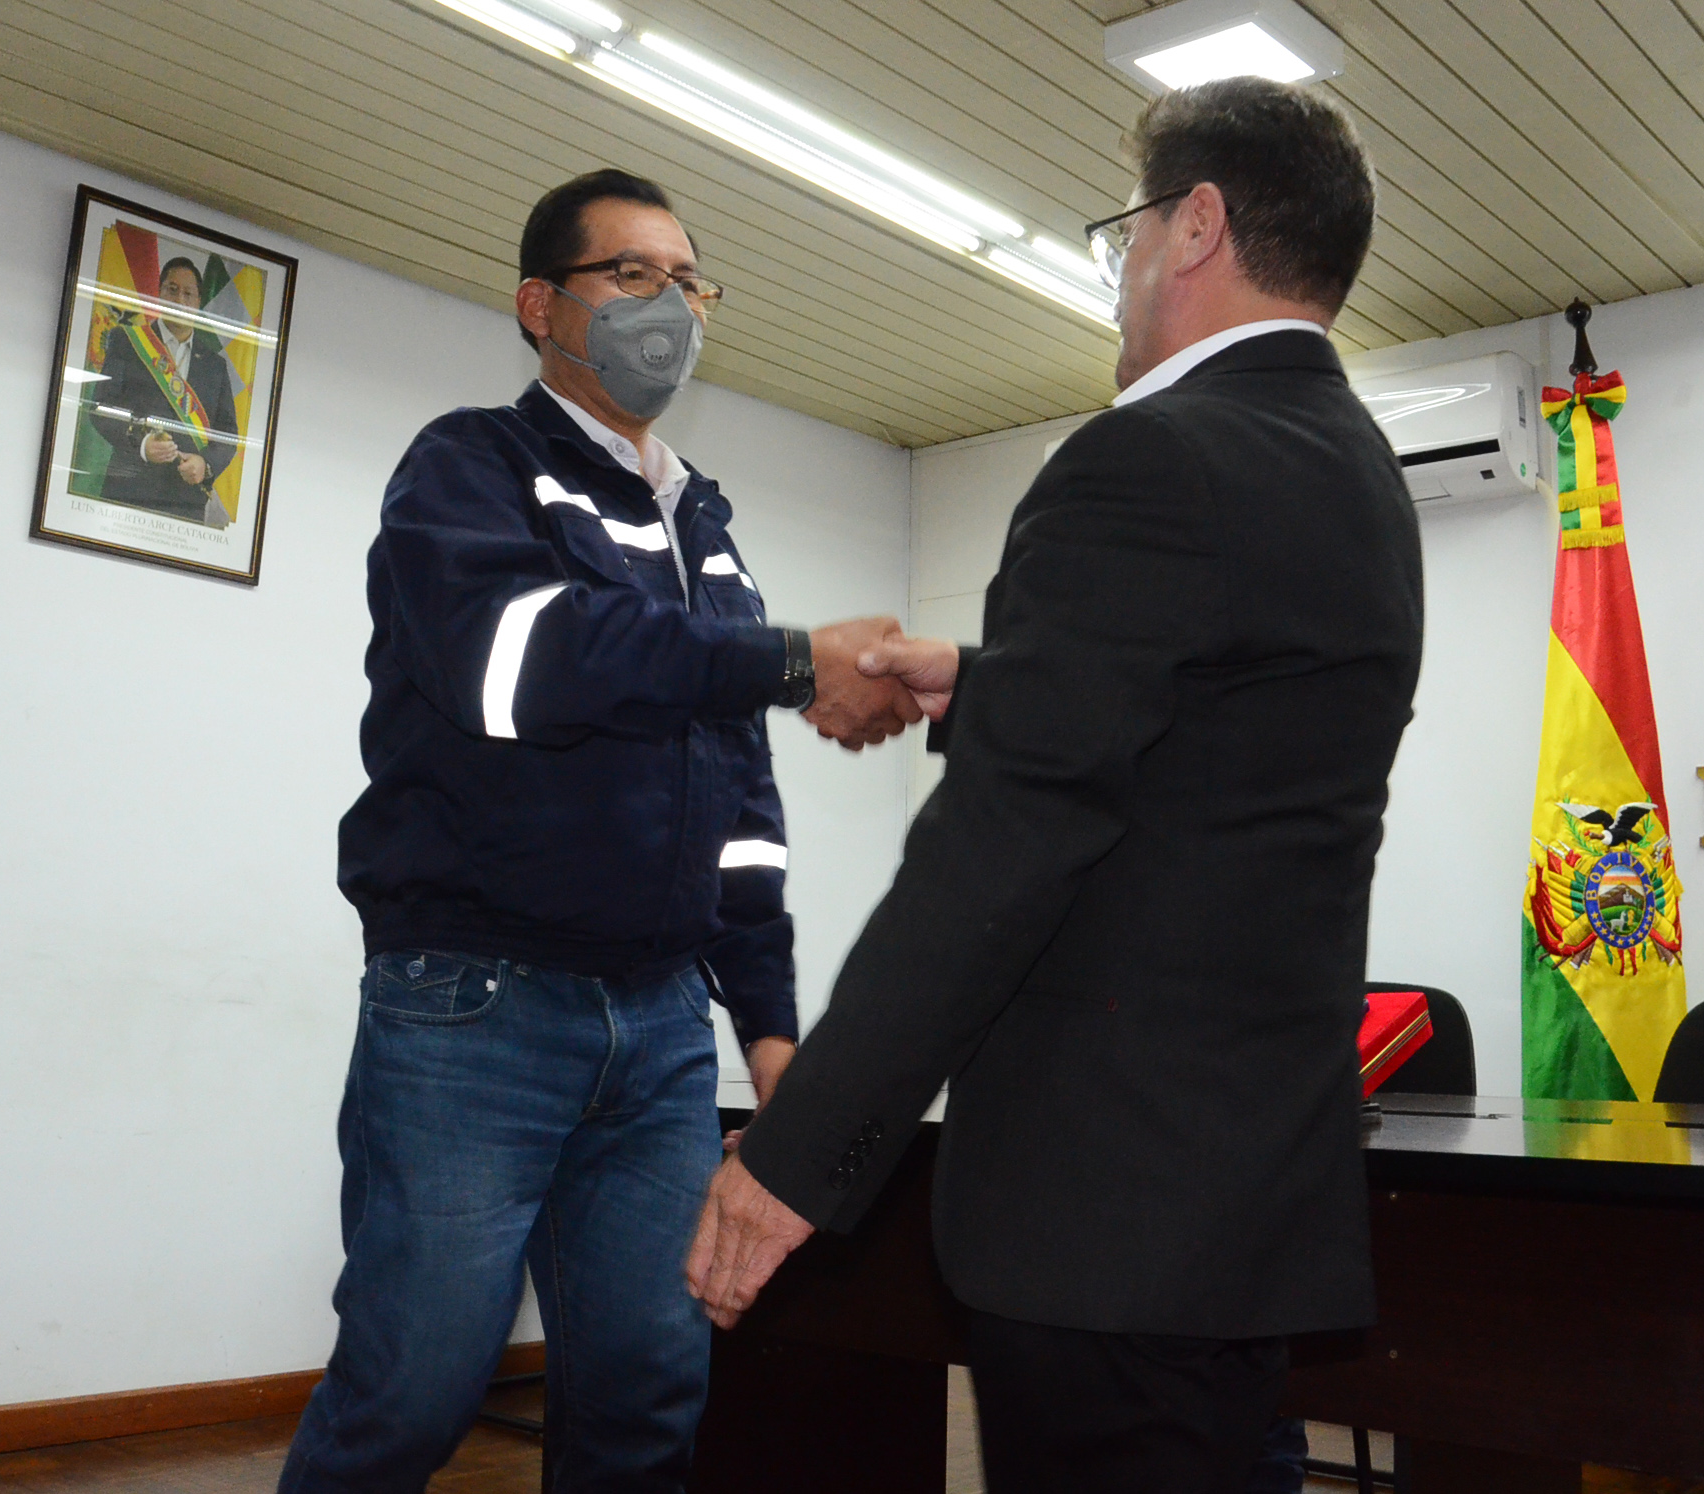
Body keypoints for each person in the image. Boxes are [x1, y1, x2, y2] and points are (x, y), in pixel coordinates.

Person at [687, 79, 1425, 1494]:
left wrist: (795, 1151)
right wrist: (993, 682)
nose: (1122, 270)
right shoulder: (1350, 468)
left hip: (1103, 1216)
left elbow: (998, 850)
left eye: (1126, 231)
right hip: (1232, 1201)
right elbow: (1220, 746)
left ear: (1194, 225)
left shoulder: (1149, 456)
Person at [277, 169, 918, 1494]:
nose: (668, 305)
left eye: (688, 282)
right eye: (631, 274)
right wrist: (788, 659)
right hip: (475, 1009)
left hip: (663, 1032)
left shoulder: (704, 527)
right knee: (409, 1394)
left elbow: (739, 808)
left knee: (645, 1396)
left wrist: (768, 1028)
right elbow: (519, 666)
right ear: (539, 305)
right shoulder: (469, 465)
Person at [88, 257, 241, 527]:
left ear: (198, 301)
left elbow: (227, 433)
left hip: (184, 502)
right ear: (159, 293)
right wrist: (142, 444)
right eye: (172, 290)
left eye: (188, 293)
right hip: (128, 489)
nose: (179, 300)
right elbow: (100, 407)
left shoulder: (215, 365)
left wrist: (205, 464)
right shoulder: (127, 341)